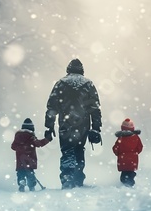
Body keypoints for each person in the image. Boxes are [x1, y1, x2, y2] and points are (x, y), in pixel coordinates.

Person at [44, 58, 102, 189]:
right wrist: (96, 128)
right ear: (82, 70)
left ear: (68, 70)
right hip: (83, 126)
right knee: (79, 150)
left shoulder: (61, 84)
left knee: (67, 151)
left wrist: (49, 126)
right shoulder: (88, 84)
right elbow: (95, 109)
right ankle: (78, 178)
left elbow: (52, 107)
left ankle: (67, 178)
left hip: (65, 125)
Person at [11, 118, 52, 192]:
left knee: (21, 172)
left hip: (20, 160)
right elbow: (38, 144)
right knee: (30, 174)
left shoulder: (17, 136)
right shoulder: (31, 136)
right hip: (29, 160)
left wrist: (21, 148)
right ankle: (31, 187)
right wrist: (47, 139)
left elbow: (13, 147)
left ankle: (21, 184)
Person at [113, 118, 143, 187]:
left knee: (124, 174)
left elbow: (115, 148)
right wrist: (135, 153)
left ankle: (126, 184)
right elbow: (140, 147)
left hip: (122, 159)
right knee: (130, 171)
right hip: (133, 159)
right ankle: (131, 180)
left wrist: (118, 154)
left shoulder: (121, 138)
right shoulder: (136, 137)